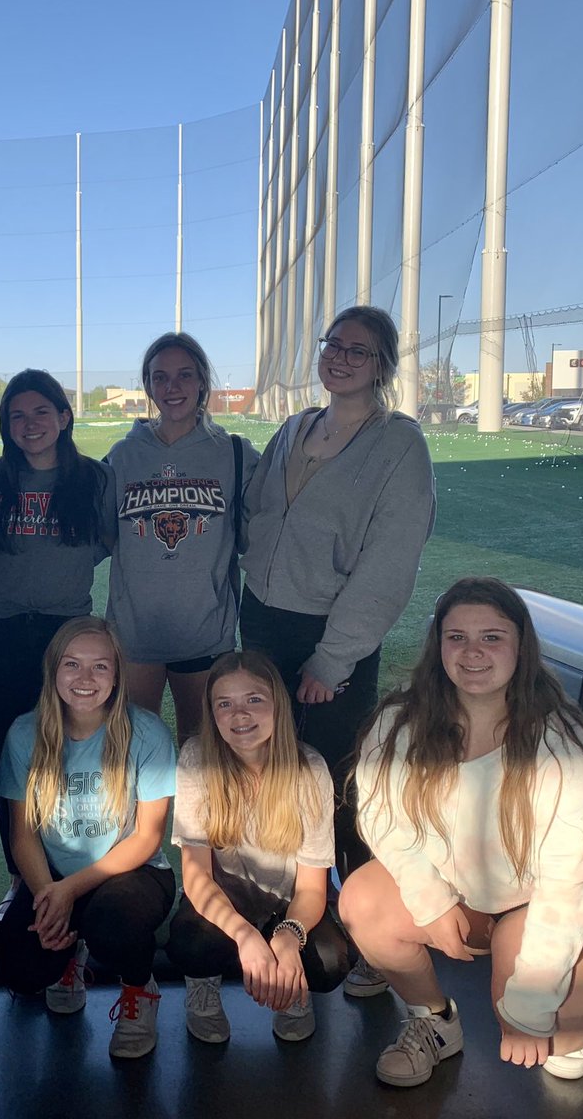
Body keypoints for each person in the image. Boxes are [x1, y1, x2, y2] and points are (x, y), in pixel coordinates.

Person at [338, 577, 583, 1088]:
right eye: (457, 638)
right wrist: (431, 899)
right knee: (362, 901)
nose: (472, 652)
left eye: (492, 637)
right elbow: (383, 819)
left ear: (521, 646)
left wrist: (531, 1005)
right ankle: (433, 1020)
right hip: (459, 897)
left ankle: (576, 1022)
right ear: (438, 646)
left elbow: (570, 879)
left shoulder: (561, 743)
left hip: (542, 901)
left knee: (558, 1031)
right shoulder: (401, 723)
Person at [239, 305, 435, 923]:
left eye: (360, 350)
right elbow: (255, 516)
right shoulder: (294, 427)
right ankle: (287, 900)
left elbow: (389, 565)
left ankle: (365, 924)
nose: (341, 357)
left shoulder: (400, 445)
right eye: (334, 345)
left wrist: (334, 657)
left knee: (338, 781)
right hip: (263, 621)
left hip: (330, 635)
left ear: (382, 367)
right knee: (274, 769)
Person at [0, 617, 176, 1060]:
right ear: (53, 670)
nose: (85, 679)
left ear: (117, 675)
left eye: (100, 667)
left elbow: (147, 838)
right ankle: (68, 954)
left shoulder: (146, 731)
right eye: (72, 664)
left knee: (113, 924)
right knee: (20, 967)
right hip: (54, 876)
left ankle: (138, 988)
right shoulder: (24, 732)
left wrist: (67, 893)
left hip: (132, 871)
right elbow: (23, 837)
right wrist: (46, 899)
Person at [0, 369, 116, 918]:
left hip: (66, 634)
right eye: (16, 415)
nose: (29, 424)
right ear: (6, 425)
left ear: (64, 417)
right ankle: (21, 877)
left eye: (40, 412)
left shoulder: (93, 480)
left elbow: (102, 544)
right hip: (1, 631)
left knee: (66, 751)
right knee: (17, 754)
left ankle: (75, 869)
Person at [166, 651, 349, 1044]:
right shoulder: (197, 759)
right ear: (211, 713)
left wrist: (286, 937)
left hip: (286, 905)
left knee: (329, 961)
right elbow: (196, 877)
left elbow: (313, 889)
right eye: (225, 704)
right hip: (222, 901)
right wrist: (245, 936)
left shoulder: (309, 770)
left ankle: (292, 988)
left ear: (277, 704)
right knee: (188, 941)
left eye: (254, 699)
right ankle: (203, 985)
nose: (240, 715)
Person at [106, 332, 259, 743]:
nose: (172, 387)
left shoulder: (234, 452)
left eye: (184, 375)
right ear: (148, 385)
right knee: (135, 753)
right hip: (134, 635)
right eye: (160, 377)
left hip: (205, 633)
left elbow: (262, 529)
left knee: (204, 752)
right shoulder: (122, 456)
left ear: (202, 383)